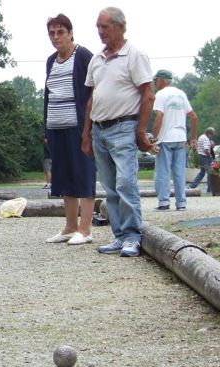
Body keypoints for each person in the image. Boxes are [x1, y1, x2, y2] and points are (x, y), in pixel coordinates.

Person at [81, 7, 155, 257]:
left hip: (124, 126)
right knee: (110, 186)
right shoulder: (97, 59)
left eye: (105, 27)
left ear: (121, 27)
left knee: (125, 182)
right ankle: (119, 235)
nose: (100, 32)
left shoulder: (134, 55)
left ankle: (133, 235)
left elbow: (148, 94)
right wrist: (86, 134)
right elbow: (92, 98)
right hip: (100, 129)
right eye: (98, 27)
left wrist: (141, 130)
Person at [43, 14, 96, 246]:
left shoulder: (83, 55)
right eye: (52, 33)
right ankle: (70, 225)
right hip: (56, 126)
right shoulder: (50, 60)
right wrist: (46, 125)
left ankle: (85, 229)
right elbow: (48, 93)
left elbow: (95, 89)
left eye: (60, 32)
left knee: (83, 173)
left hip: (79, 125)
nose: (56, 37)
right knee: (63, 176)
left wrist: (89, 126)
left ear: (71, 32)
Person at [151, 69, 199, 211]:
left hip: (165, 138)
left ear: (161, 80)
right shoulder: (181, 94)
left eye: (156, 80)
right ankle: (181, 203)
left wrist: (154, 138)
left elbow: (159, 117)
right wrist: (193, 138)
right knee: (179, 172)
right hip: (180, 138)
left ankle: (164, 203)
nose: (155, 83)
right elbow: (194, 117)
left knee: (163, 171)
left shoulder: (160, 95)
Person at [189, 127, 215, 193]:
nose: (211, 136)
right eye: (212, 134)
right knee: (210, 173)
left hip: (201, 156)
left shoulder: (201, 137)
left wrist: (210, 145)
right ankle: (210, 189)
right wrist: (210, 156)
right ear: (209, 133)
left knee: (202, 173)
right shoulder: (206, 139)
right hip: (205, 157)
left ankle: (192, 186)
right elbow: (206, 150)